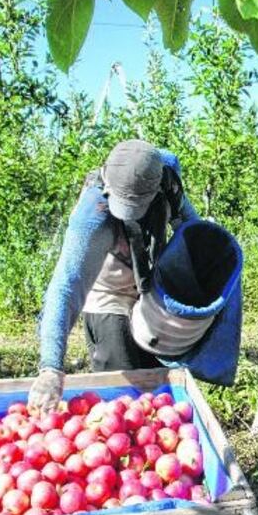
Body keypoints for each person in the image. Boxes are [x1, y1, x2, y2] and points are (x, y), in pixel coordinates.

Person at [28, 140, 201, 413]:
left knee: (159, 395)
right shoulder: (93, 216)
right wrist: (51, 367)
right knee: (124, 403)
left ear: (155, 189)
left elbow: (191, 229)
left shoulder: (167, 177)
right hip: (109, 298)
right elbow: (66, 284)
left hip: (150, 295)